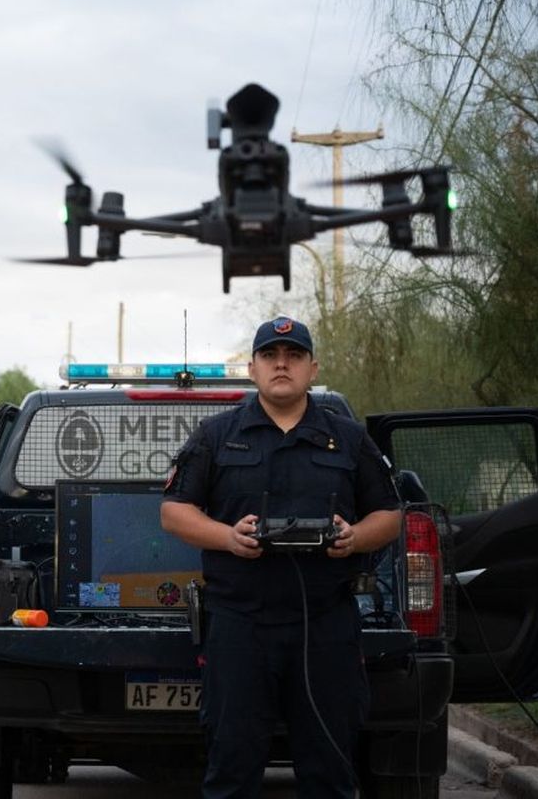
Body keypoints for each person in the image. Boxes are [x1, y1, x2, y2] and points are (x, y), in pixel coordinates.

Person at [161, 316, 400, 799]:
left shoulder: (350, 438)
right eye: (270, 356)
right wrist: (228, 537)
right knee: (232, 770)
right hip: (239, 625)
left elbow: (391, 516)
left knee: (331, 771)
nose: (282, 365)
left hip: (326, 626)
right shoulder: (215, 435)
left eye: (293, 356)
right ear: (253, 368)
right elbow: (173, 512)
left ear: (313, 367)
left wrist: (353, 538)